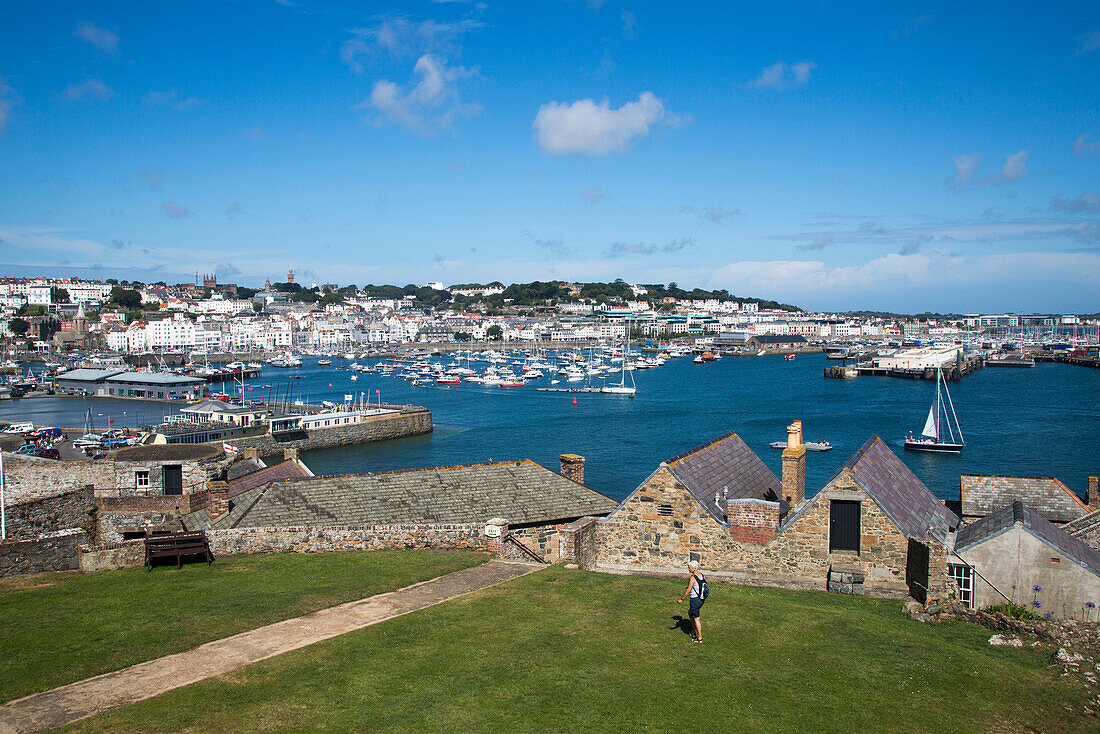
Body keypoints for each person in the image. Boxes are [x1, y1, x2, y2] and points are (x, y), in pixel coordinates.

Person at [676, 560, 706, 643]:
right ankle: (693, 631)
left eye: (689, 568)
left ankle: (699, 637)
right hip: (701, 600)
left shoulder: (693, 578)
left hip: (695, 600)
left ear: (694, 568)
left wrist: (682, 599)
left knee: (696, 619)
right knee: (690, 613)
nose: (688, 569)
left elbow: (688, 590)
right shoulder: (701, 575)